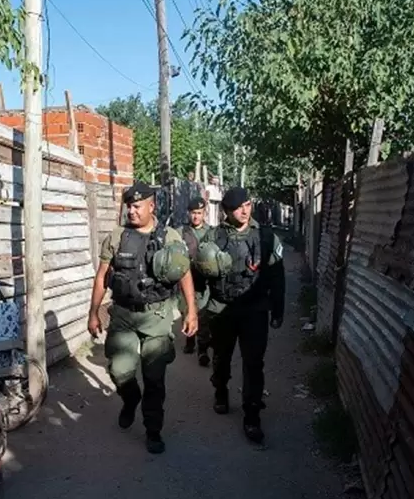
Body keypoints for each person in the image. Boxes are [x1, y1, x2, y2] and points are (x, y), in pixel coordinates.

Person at [87, 183, 198, 454]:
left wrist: (191, 311)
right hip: (124, 315)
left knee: (154, 376)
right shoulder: (116, 237)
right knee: (119, 371)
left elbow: (184, 274)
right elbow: (101, 277)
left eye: (137, 206)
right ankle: (130, 398)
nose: (131, 211)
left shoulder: (170, 236)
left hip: (156, 316)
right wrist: (93, 312)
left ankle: (153, 430)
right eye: (129, 206)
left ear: (152, 206)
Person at [196, 187, 285, 444]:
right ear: (226, 211)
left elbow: (277, 276)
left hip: (254, 310)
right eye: (237, 207)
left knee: (254, 363)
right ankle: (220, 390)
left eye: (247, 204)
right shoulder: (213, 236)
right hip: (222, 309)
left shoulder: (266, 237)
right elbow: (199, 273)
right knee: (221, 358)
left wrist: (277, 309)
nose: (244, 211)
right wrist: (197, 309)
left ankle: (252, 415)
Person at [180, 197, 213, 366]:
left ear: (204, 213)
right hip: (187, 280)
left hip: (204, 282)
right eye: (193, 213)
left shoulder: (211, 232)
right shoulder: (182, 232)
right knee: (186, 311)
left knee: (203, 315)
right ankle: (190, 340)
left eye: (199, 213)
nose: (196, 216)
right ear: (189, 213)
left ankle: (203, 350)